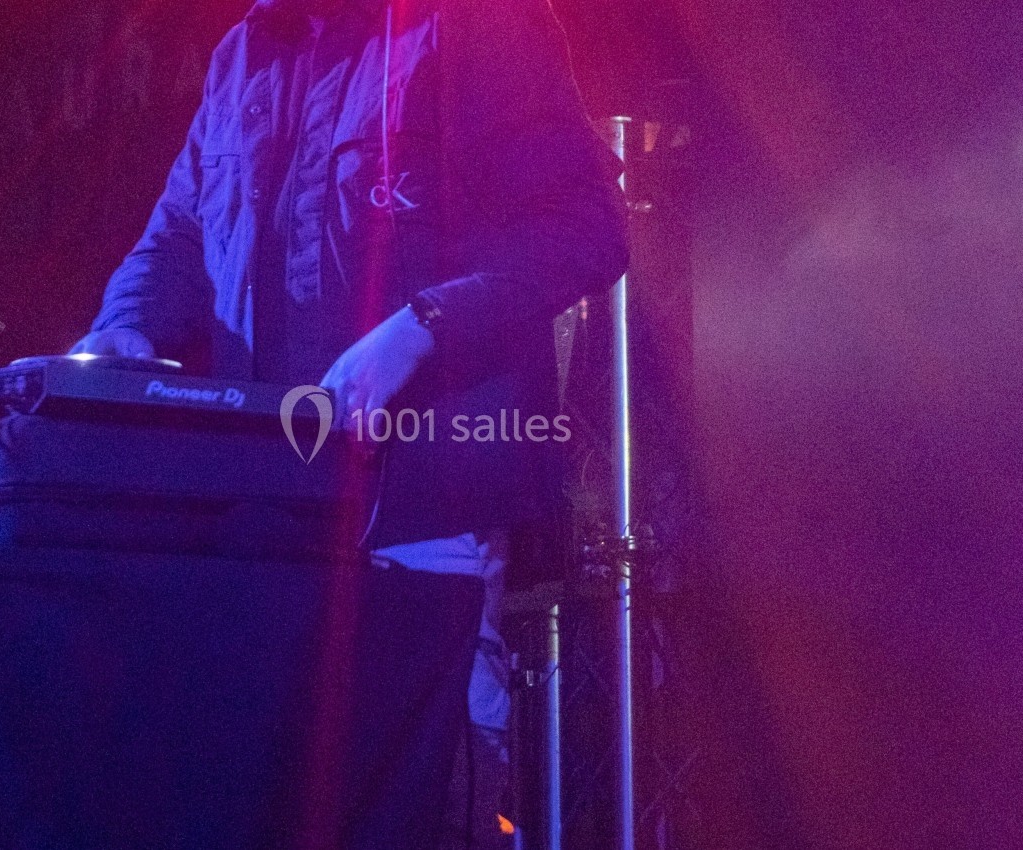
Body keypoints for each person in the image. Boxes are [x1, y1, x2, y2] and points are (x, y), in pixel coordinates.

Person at [71, 0, 627, 846]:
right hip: (266, 506)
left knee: (424, 794)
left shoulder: (476, 24)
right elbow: (179, 235)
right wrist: (124, 325)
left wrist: (423, 326)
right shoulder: (245, 52)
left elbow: (584, 230)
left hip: (423, 499)